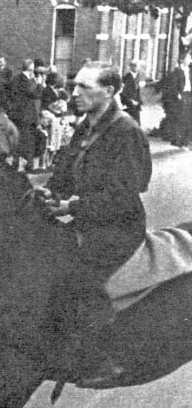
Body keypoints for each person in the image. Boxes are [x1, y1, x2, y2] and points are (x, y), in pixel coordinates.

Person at [38, 62, 152, 388]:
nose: (75, 93)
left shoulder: (126, 132)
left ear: (110, 91)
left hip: (118, 227)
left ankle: (103, 358)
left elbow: (123, 196)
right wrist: (49, 192)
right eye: (75, 85)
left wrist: (71, 205)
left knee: (80, 273)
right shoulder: (86, 126)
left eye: (85, 87)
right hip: (89, 217)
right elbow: (65, 172)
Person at [4, 59, 44, 171]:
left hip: (16, 115)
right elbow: (36, 94)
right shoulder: (28, 82)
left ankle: (16, 163)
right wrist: (40, 84)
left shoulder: (15, 80)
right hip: (27, 116)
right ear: (31, 69)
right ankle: (29, 165)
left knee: (17, 139)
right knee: (29, 141)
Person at [169, 51, 192, 150]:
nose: (190, 60)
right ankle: (180, 142)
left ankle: (187, 141)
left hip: (189, 95)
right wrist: (177, 94)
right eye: (188, 58)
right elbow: (173, 85)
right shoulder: (177, 71)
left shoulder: (190, 70)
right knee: (182, 119)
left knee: (189, 119)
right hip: (181, 96)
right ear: (182, 60)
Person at [119, 61, 143, 125]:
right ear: (132, 67)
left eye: (138, 67)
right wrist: (131, 101)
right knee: (128, 120)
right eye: (136, 66)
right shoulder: (126, 77)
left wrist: (138, 101)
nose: (138, 68)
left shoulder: (140, 76)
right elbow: (124, 91)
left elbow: (140, 89)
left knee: (136, 121)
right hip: (128, 102)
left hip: (137, 103)